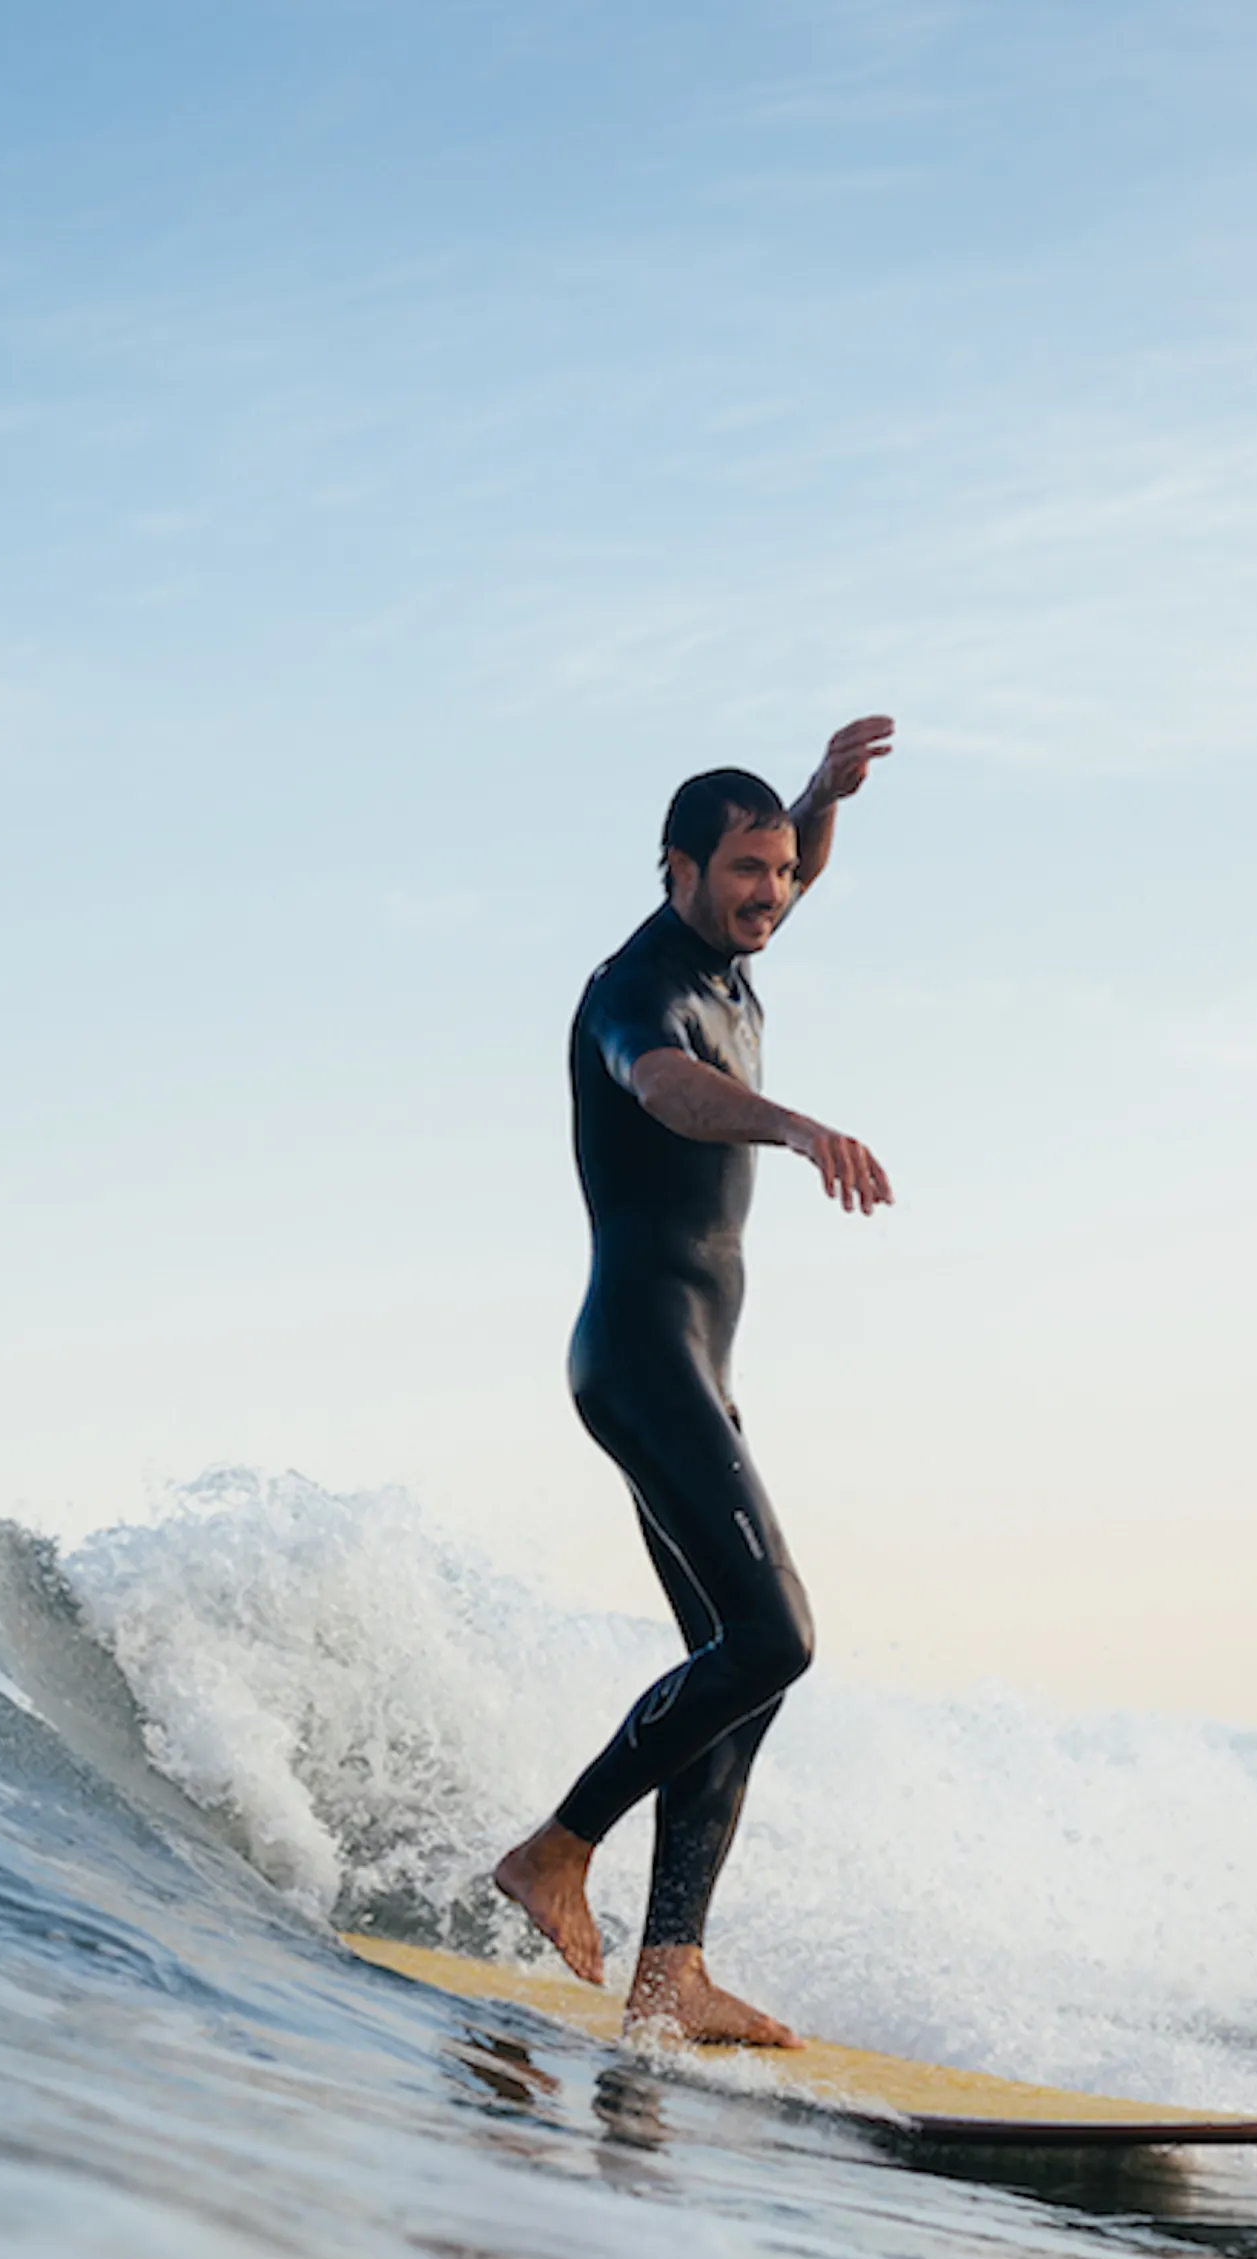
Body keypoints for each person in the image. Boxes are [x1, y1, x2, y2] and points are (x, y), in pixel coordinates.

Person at [491, 715, 898, 2046]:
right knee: (776, 1638)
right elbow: (665, 1089)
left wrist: (820, 798)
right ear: (675, 869)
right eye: (746, 874)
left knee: (738, 1663)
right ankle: (556, 1849)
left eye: (782, 871)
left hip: (692, 1370)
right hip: (638, 1351)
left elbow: (790, 869)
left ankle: (672, 1971)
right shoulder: (642, 992)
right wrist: (790, 1124)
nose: (772, 895)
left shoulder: (732, 952)